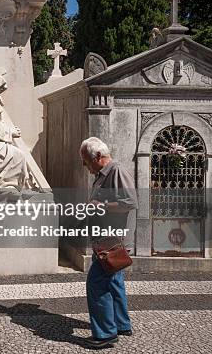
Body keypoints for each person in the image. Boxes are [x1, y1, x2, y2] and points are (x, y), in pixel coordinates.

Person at [79, 137, 137, 349]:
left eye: (86, 162)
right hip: (106, 239)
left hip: (113, 242)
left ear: (97, 156)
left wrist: (100, 205)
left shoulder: (116, 171)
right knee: (113, 281)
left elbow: (131, 202)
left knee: (97, 283)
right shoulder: (104, 174)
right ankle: (121, 325)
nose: (86, 167)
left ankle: (105, 334)